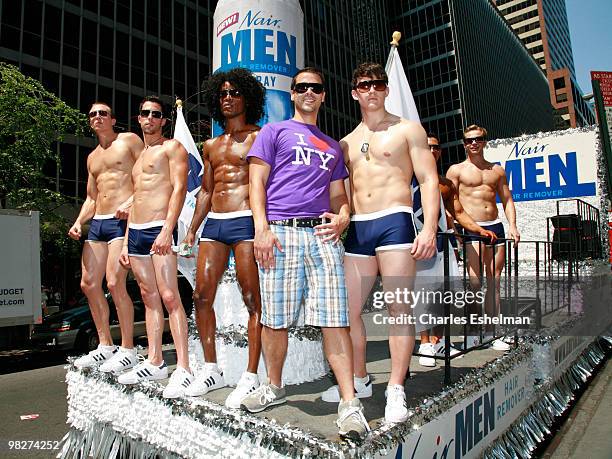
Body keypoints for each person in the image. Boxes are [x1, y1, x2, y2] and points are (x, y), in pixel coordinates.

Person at [241, 67, 369, 440]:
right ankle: (274, 385)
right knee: (275, 320)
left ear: (324, 96)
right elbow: (256, 182)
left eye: (316, 88)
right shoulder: (273, 132)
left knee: (335, 319)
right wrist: (261, 229)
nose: (309, 92)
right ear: (293, 94)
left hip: (322, 236)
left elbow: (340, 197)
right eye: (302, 87)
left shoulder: (332, 146)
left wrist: (344, 218)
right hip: (279, 233)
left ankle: (349, 403)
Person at [321, 62, 439, 424]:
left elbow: (429, 180)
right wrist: (339, 219)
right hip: (359, 227)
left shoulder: (407, 130)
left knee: (398, 309)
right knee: (346, 312)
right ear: (355, 92)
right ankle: (360, 378)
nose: (372, 89)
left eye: (378, 84)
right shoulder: (346, 142)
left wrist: (430, 228)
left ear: (386, 89)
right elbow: (340, 193)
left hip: (395, 222)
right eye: (364, 85)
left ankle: (397, 388)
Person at [180, 68, 265, 408]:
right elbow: (205, 191)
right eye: (223, 93)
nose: (227, 98)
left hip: (246, 221)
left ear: (248, 98)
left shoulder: (262, 136)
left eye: (234, 92)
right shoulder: (210, 145)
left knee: (251, 299)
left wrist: (266, 228)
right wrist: (190, 229)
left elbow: (267, 187)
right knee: (201, 295)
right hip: (215, 222)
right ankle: (211, 367)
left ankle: (251, 375)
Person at [117, 96, 194, 398]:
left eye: (156, 114)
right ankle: (155, 360)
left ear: (164, 120)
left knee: (169, 296)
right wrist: (124, 241)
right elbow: (137, 197)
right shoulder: (139, 159)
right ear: (138, 119)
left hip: (159, 229)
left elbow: (179, 189)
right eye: (145, 113)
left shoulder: (172, 148)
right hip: (135, 232)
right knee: (149, 298)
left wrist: (167, 229)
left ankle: (184, 367)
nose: (150, 118)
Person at [68, 102, 143, 372]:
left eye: (103, 113)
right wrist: (78, 222)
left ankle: (128, 349)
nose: (97, 117)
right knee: (88, 284)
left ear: (113, 119)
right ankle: (105, 345)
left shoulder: (130, 141)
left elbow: (148, 176)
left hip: (121, 221)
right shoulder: (92, 157)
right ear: (90, 122)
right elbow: (91, 196)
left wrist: (133, 202)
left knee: (114, 283)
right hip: (98, 223)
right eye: (92, 114)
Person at [417, 133, 498, 367]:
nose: (432, 151)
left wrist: (479, 230)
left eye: (436, 147)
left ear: (440, 152)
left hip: (444, 242)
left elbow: (459, 212)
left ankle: (439, 339)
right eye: (427, 147)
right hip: (417, 244)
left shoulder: (446, 184)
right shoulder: (408, 179)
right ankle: (424, 343)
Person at [446, 124, 520, 351]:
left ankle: (492, 332)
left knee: (494, 281)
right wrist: (456, 229)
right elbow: (449, 203)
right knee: (475, 282)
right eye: (468, 140)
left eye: (477, 139)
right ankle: (473, 331)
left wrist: (513, 226)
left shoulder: (497, 170)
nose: (473, 143)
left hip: (495, 227)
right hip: (472, 229)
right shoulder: (456, 170)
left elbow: (507, 199)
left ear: (485, 141)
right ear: (464, 143)